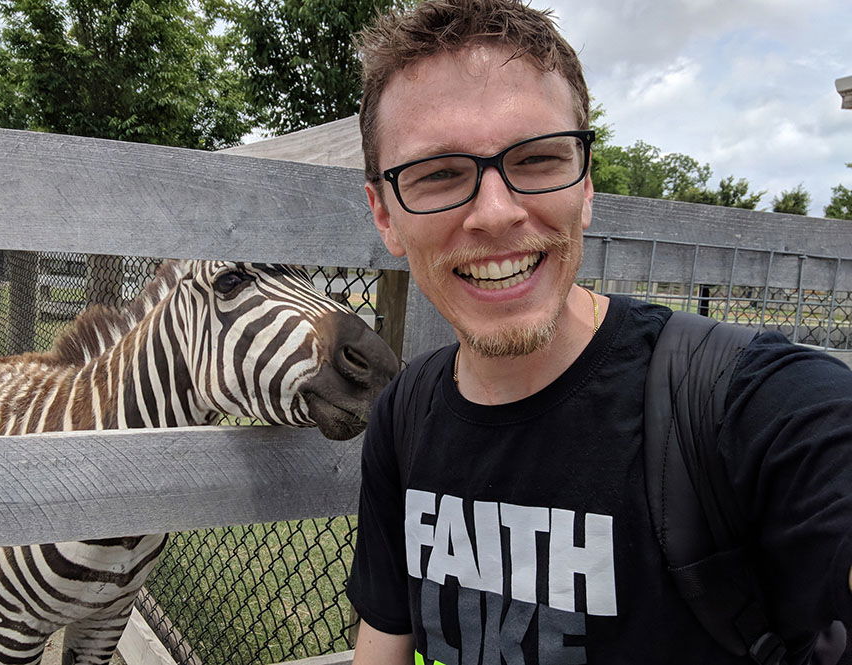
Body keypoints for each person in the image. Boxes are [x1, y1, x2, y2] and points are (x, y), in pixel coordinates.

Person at [345, 1, 852, 663]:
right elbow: (383, 641)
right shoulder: (406, 414)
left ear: (586, 183)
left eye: (537, 159)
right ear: (384, 214)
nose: (495, 214)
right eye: (439, 173)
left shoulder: (752, 406)